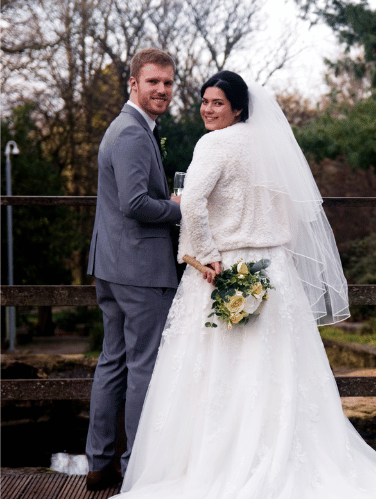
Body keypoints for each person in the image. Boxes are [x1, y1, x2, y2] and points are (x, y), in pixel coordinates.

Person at [114, 71, 376, 498]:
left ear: (238, 109)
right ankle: (283, 450)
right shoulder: (270, 147)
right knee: (278, 367)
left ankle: (220, 461)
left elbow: (191, 202)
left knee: (219, 368)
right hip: (274, 269)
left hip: (228, 265)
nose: (208, 110)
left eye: (217, 103)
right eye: (205, 101)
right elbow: (291, 211)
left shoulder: (212, 144)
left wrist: (204, 254)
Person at [85, 48, 182, 491]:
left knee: (115, 363)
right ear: (133, 84)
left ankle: (102, 464)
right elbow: (136, 204)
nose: (161, 90)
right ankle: (136, 467)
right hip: (138, 270)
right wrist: (178, 208)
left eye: (167, 82)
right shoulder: (130, 133)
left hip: (115, 265)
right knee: (141, 366)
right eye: (153, 82)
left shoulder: (134, 129)